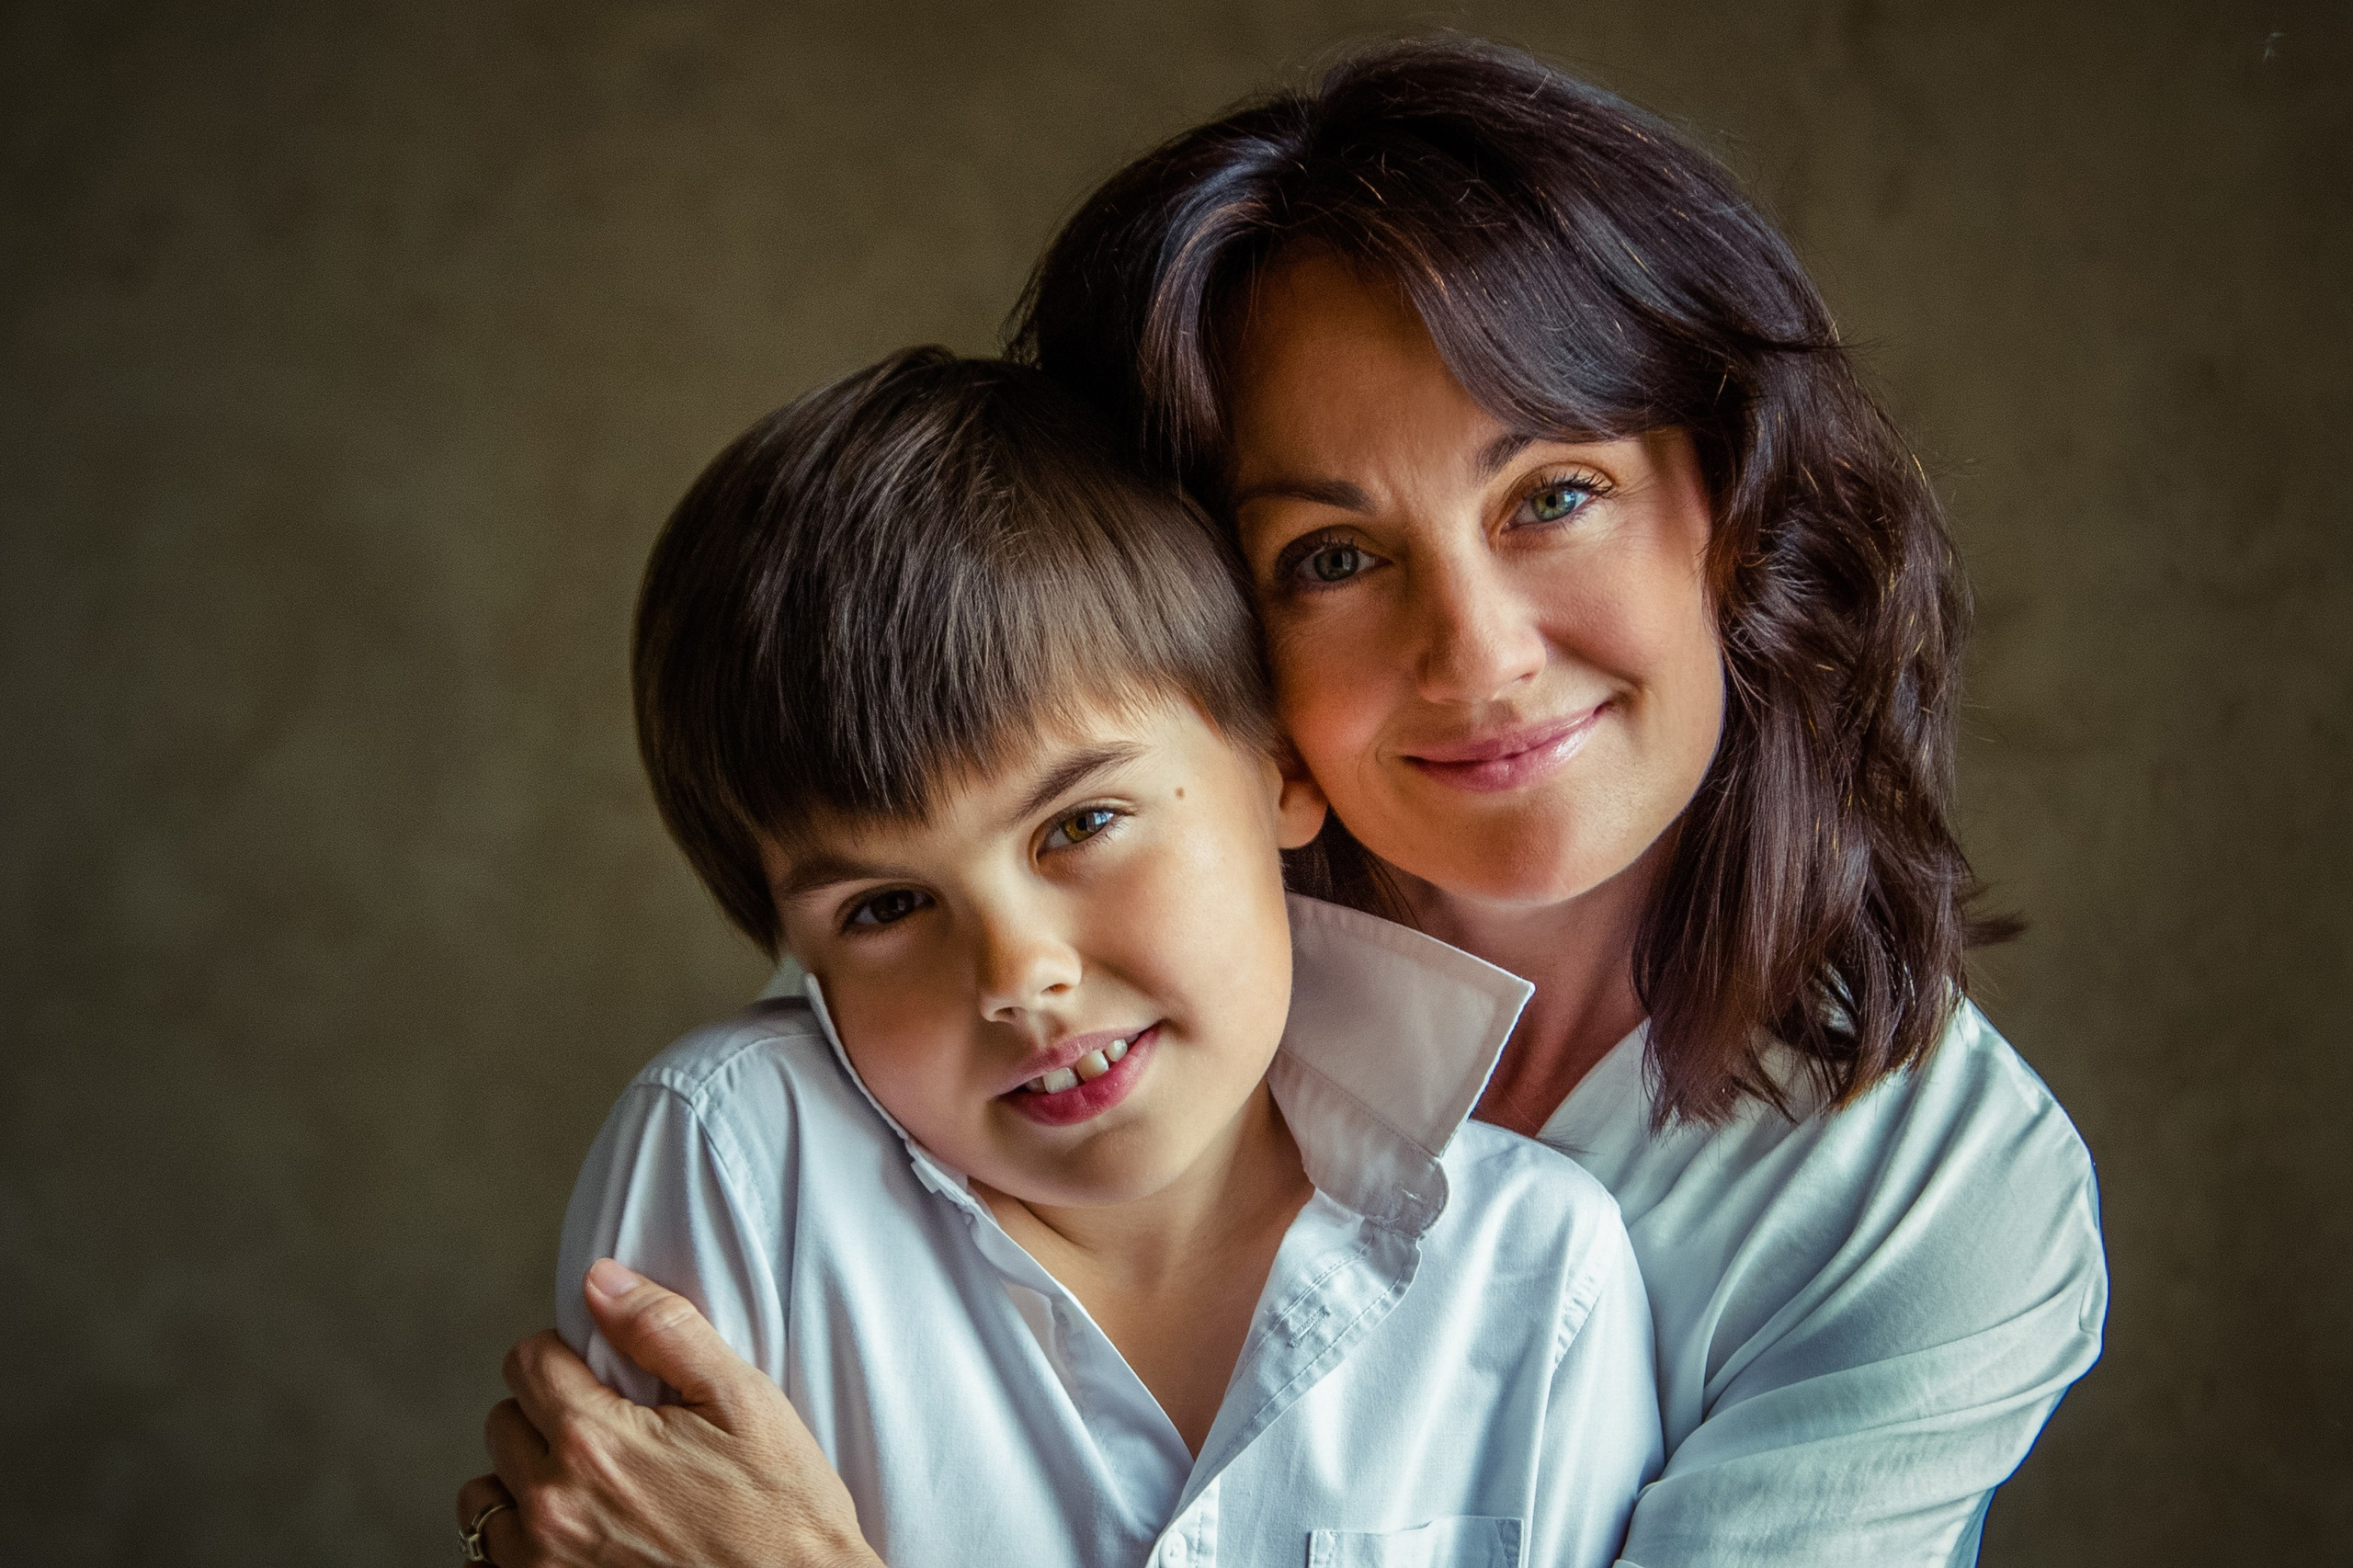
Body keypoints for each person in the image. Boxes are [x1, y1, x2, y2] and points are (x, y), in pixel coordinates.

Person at [462, 36, 2106, 1568]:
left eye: (1556, 494)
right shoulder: (953, 1018)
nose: (1477, 652)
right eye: (1330, 555)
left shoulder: (1934, 1205)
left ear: (1734, 505)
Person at [458, 345, 1664, 1567]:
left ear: (1278, 769)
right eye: (883, 908)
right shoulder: (739, 1163)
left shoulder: (1535, 1277)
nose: (1017, 973)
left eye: (1081, 825)